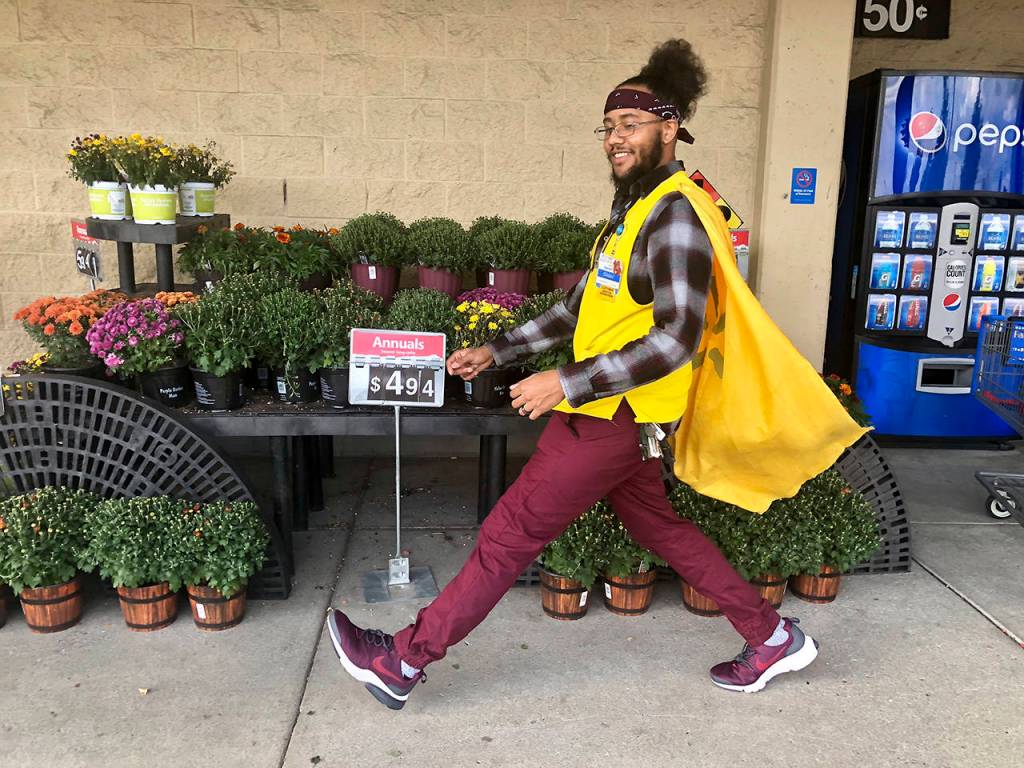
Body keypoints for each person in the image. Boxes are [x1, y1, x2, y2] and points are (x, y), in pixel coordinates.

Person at [327, 39, 819, 711]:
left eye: (631, 124)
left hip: (612, 416)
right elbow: (583, 305)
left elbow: (677, 338)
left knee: (508, 534)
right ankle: (772, 638)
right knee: (664, 530)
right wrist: (498, 351)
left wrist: (566, 382)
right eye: (608, 127)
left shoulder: (677, 217)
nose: (615, 139)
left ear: (671, 127)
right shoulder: (633, 212)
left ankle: (404, 660)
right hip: (616, 415)